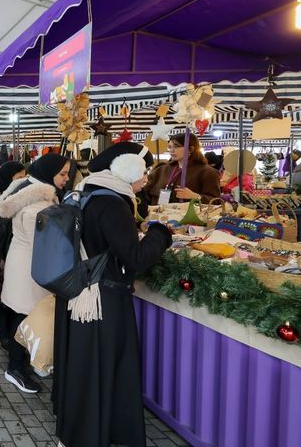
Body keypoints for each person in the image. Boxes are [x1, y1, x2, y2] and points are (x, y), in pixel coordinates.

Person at [53, 142, 173, 447]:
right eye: (144, 171)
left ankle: (80, 430)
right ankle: (98, 432)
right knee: (105, 365)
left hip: (79, 293)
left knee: (84, 366)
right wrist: (161, 233)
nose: (146, 177)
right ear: (128, 171)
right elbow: (135, 257)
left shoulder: (85, 193)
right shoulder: (113, 203)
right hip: (103, 300)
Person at [0, 154, 69, 393]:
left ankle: (26, 364)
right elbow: (46, 243)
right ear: (49, 175)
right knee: (25, 317)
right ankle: (15, 368)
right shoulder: (38, 205)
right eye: (62, 174)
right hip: (31, 268)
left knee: (25, 314)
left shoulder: (28, 194)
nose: (66, 179)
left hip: (24, 266)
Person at [0, 162, 26, 349]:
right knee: (4, 299)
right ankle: (5, 335)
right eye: (18, 178)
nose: (22, 181)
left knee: (16, 298)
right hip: (1, 258)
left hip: (16, 256)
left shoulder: (21, 198)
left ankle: (13, 335)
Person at [145, 133, 220, 205]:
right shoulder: (161, 170)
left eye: (176, 146)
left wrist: (195, 196)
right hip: (160, 215)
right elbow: (146, 192)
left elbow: (216, 201)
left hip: (189, 216)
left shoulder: (207, 172)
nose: (171, 150)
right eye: (169, 147)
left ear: (190, 149)